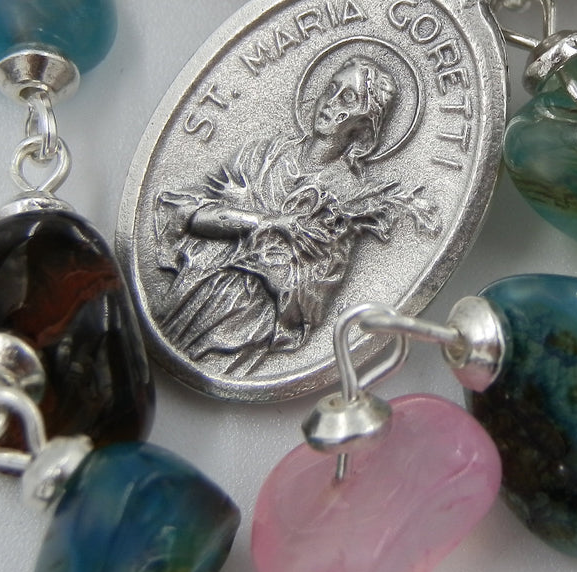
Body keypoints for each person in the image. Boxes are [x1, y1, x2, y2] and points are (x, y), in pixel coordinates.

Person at [154, 56, 438, 376]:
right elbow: (188, 215)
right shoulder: (263, 154)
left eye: (347, 98)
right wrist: (263, 223)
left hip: (243, 326)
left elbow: (307, 304)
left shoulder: (349, 204)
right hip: (193, 290)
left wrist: (272, 256)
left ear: (365, 126)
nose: (330, 102)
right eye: (331, 88)